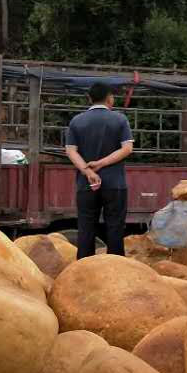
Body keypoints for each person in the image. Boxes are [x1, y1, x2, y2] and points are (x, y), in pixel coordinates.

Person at [65, 82, 133, 260]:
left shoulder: (76, 121)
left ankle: (84, 268)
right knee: (115, 228)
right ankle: (116, 268)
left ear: (89, 98)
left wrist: (88, 172)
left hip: (86, 184)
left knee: (86, 228)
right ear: (110, 98)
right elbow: (126, 149)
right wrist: (101, 164)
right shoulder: (120, 119)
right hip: (115, 184)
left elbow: (71, 150)